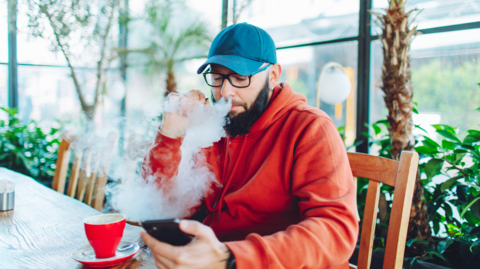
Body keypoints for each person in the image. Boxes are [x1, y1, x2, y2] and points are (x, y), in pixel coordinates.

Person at [140, 22, 358, 269]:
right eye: (217, 77)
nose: (225, 92)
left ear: (273, 74)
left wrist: (230, 257)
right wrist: (171, 134)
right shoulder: (214, 124)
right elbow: (158, 203)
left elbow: (335, 232)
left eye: (240, 77)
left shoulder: (310, 128)